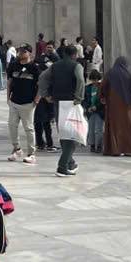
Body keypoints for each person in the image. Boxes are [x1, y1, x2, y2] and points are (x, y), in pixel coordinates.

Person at [49, 44, 85, 177]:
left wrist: (46, 94)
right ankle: (62, 166)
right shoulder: (77, 66)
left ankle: (70, 163)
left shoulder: (55, 65)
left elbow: (43, 79)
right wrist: (79, 98)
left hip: (57, 102)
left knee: (64, 133)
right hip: (71, 103)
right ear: (75, 55)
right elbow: (80, 81)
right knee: (73, 134)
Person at [102, 56, 131, 156]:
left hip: (114, 107)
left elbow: (103, 87)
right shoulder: (128, 75)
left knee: (116, 128)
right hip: (128, 108)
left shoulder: (110, 73)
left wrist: (102, 97)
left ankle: (117, 150)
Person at [6, 44, 39, 163]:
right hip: (14, 101)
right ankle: (17, 149)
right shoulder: (13, 65)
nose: (20, 53)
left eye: (23, 51)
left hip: (28, 102)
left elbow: (40, 84)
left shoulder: (34, 67)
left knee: (28, 128)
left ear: (29, 53)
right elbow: (9, 81)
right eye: (19, 51)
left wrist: (37, 99)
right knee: (12, 125)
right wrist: (8, 97)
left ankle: (31, 153)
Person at [35, 49, 57, 152]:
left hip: (38, 99)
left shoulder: (37, 69)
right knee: (46, 122)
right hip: (45, 98)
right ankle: (49, 144)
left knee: (38, 122)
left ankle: (40, 143)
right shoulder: (47, 72)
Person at [84, 69, 104, 152]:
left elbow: (103, 100)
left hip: (99, 111)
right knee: (91, 129)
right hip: (90, 111)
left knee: (98, 129)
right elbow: (84, 100)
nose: (94, 81)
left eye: (96, 79)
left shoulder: (102, 87)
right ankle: (92, 144)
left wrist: (97, 106)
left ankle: (99, 145)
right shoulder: (87, 88)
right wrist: (87, 107)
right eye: (93, 79)